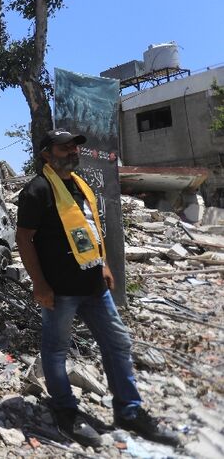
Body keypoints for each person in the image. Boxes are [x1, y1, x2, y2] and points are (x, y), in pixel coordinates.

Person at [16, 129, 179, 448]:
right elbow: (24, 239)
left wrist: (103, 265)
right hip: (60, 291)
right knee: (56, 350)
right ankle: (65, 410)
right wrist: (40, 284)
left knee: (118, 344)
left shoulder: (79, 186)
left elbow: (90, 230)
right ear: (46, 155)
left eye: (75, 147)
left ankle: (129, 412)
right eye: (65, 148)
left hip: (94, 288)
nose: (73, 152)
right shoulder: (37, 190)